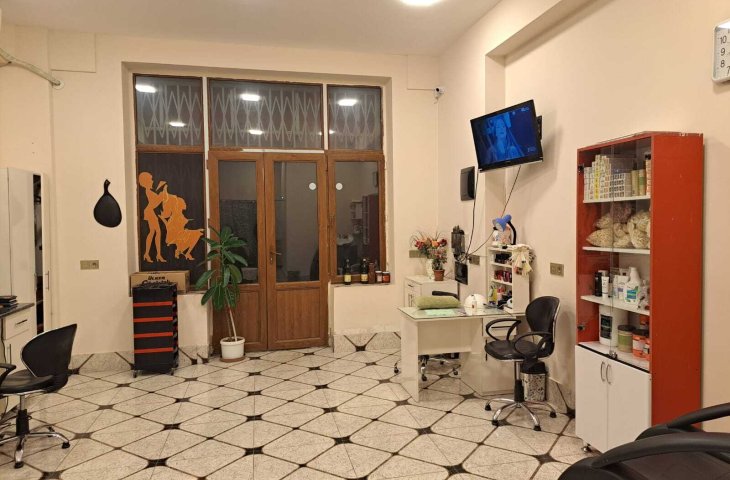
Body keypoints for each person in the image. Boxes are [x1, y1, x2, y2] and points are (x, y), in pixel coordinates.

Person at [138, 172, 167, 263]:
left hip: (150, 212)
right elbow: (154, 204)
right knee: (157, 232)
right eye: (151, 180)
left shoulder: (149, 192)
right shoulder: (148, 192)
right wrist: (161, 196)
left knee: (153, 232)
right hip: (150, 212)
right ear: (146, 182)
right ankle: (156, 254)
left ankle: (149, 254)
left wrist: (161, 196)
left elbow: (155, 202)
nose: (152, 181)